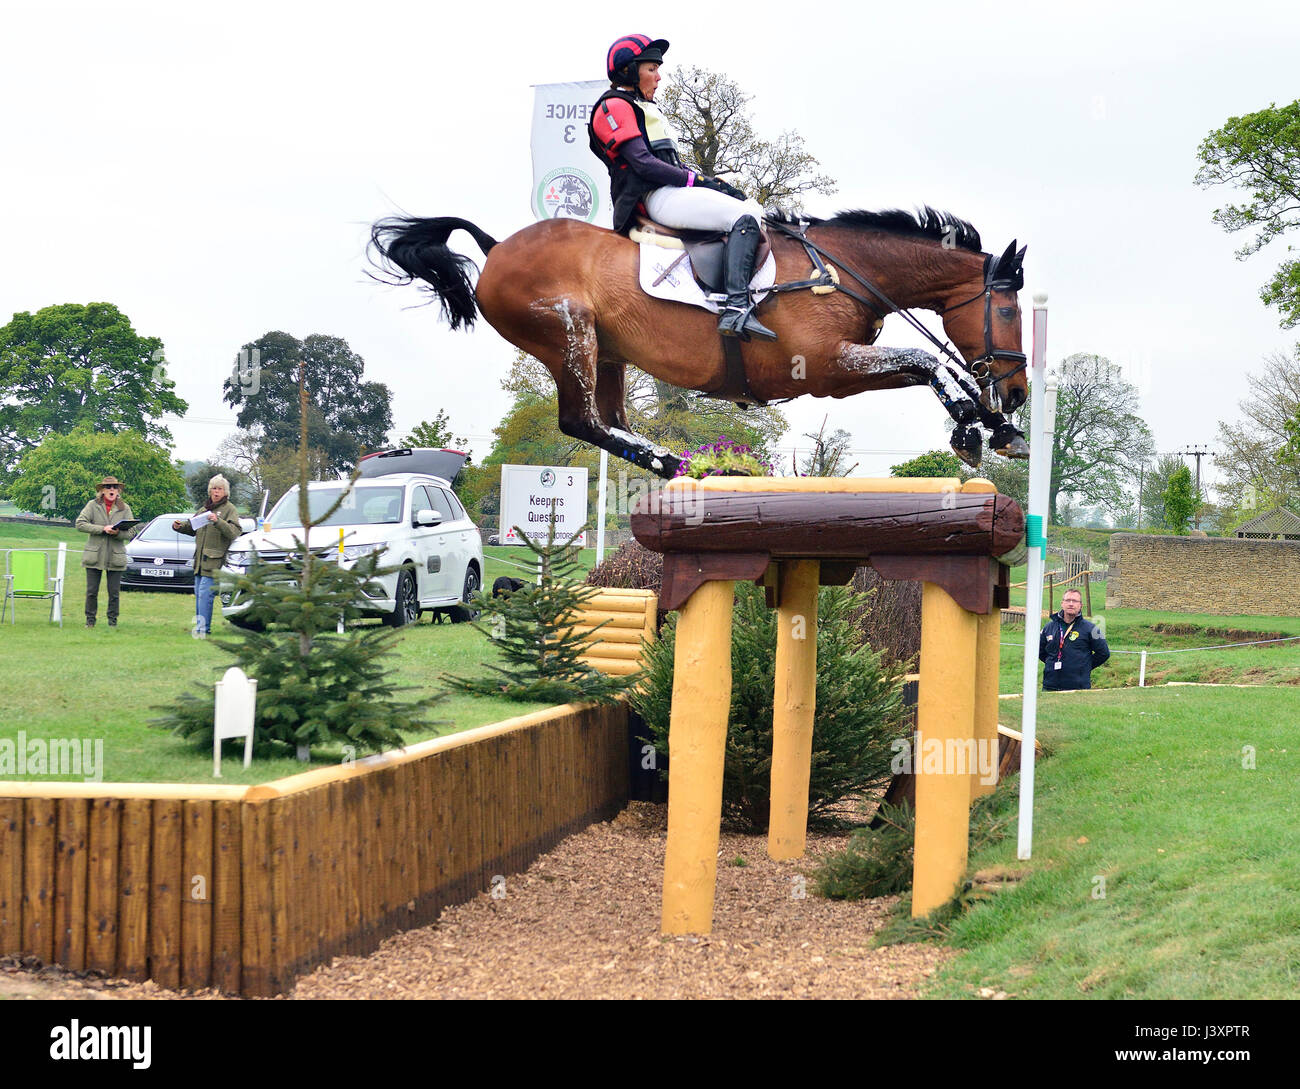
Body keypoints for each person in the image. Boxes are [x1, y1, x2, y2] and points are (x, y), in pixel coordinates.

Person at [588, 33, 776, 342]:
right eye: (651, 68)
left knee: (750, 207)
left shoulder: (644, 107)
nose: (659, 77)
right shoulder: (613, 106)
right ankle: (737, 308)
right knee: (743, 219)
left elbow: (673, 165)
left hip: (671, 191)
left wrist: (714, 184)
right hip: (654, 198)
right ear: (628, 71)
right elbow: (643, 164)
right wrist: (696, 180)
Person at [173, 475, 243, 637]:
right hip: (199, 561)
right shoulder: (204, 509)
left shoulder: (229, 509)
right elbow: (192, 527)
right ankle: (200, 628)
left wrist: (217, 521)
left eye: (219, 489)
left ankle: (203, 630)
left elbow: (234, 532)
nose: (216, 492)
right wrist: (178, 527)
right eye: (213, 488)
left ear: (226, 492)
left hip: (215, 562)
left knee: (205, 594)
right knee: (199, 594)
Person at [75, 476, 141, 628]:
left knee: (114, 593)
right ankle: (90, 621)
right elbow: (80, 524)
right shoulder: (92, 505)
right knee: (91, 591)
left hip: (115, 556)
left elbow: (131, 533)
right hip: (94, 555)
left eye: (115, 487)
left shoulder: (125, 508)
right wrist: (102, 529)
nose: (112, 489)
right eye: (108, 487)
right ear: (102, 490)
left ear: (118, 490)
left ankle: (113, 622)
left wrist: (117, 533)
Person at [1038, 589, 1110, 691]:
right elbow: (1039, 651)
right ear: (1062, 604)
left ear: (1081, 605)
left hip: (1078, 687)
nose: (1071, 604)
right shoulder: (1049, 627)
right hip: (1050, 686)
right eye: (1067, 600)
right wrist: (1051, 663)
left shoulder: (1092, 628)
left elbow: (1104, 653)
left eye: (1075, 601)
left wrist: (1084, 667)